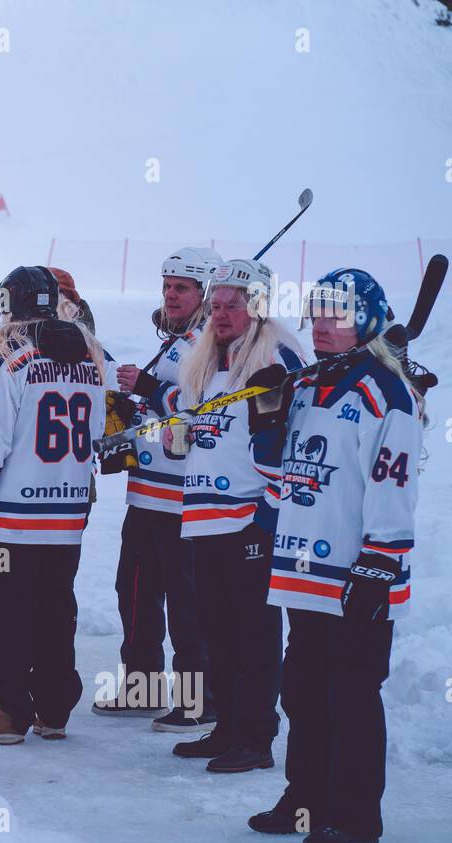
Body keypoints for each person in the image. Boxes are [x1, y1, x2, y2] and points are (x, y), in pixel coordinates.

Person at [246, 269, 423, 843]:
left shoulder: (386, 392)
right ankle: (305, 801)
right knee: (302, 690)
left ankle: (353, 817)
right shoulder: (305, 383)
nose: (323, 325)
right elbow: (285, 475)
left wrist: (381, 559)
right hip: (305, 572)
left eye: (338, 315)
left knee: (350, 694)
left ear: (365, 322)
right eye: (318, 313)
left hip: (356, 573)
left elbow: (393, 485)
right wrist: (267, 428)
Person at [149, 258, 306, 772]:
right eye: (215, 305)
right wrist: (176, 434)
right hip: (201, 517)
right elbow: (195, 427)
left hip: (247, 519)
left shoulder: (275, 356)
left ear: (256, 306)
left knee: (254, 632)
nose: (220, 314)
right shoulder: (204, 358)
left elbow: (288, 442)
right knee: (215, 629)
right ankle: (227, 726)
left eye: (231, 305)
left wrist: (268, 511)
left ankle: (255, 738)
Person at [0, 266, 110, 744]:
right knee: (57, 610)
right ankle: (55, 708)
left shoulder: (5, 352)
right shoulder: (88, 351)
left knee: (7, 614)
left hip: (15, 514)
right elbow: (98, 431)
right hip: (67, 510)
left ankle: (8, 711)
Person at [94, 248, 220, 730]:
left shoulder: (212, 346)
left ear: (204, 294)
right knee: (136, 591)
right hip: (146, 493)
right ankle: (141, 687)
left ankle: (199, 697)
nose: (170, 295)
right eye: (166, 286)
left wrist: (147, 388)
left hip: (183, 498)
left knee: (187, 601)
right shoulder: (176, 340)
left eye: (181, 287)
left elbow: (206, 405)